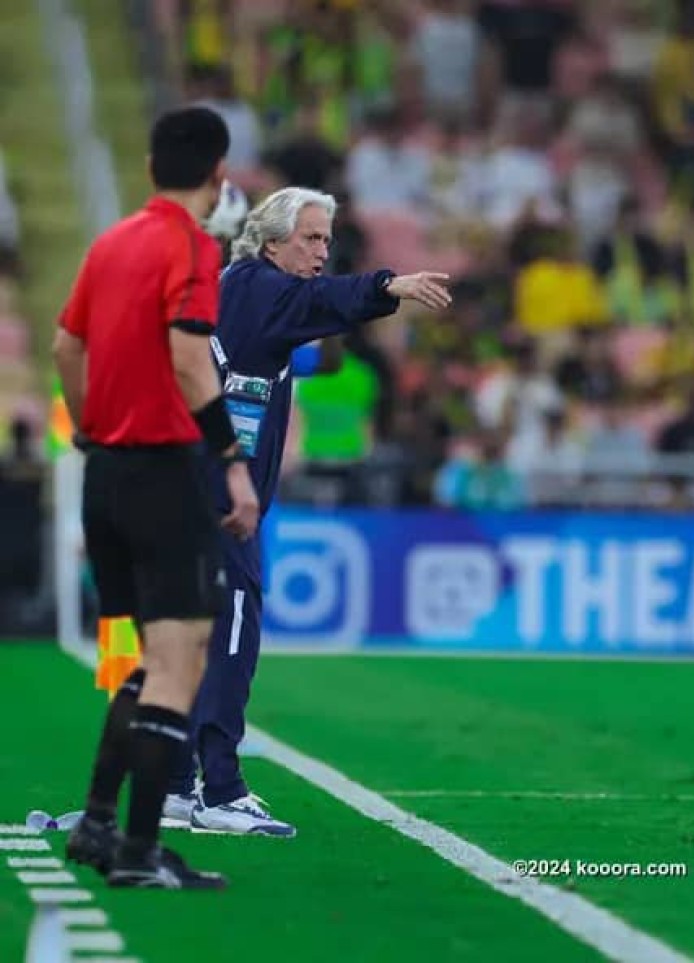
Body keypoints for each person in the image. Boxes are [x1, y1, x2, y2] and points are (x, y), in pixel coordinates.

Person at [164, 187, 452, 836]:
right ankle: (221, 786)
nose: (322, 250)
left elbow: (319, 337)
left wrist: (354, 317)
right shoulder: (261, 289)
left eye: (327, 240)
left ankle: (177, 785)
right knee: (233, 628)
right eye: (311, 238)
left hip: (198, 487)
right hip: (216, 492)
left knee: (197, 636)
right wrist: (388, 285)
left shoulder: (252, 294)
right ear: (270, 240)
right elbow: (320, 304)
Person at [57, 106, 259, 889]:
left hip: (104, 471)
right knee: (183, 659)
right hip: (163, 472)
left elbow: (64, 344)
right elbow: (187, 355)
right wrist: (233, 462)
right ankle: (141, 852)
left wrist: (86, 431)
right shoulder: (189, 245)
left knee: (150, 656)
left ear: (149, 169)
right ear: (218, 175)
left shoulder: (109, 243)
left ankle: (99, 823)